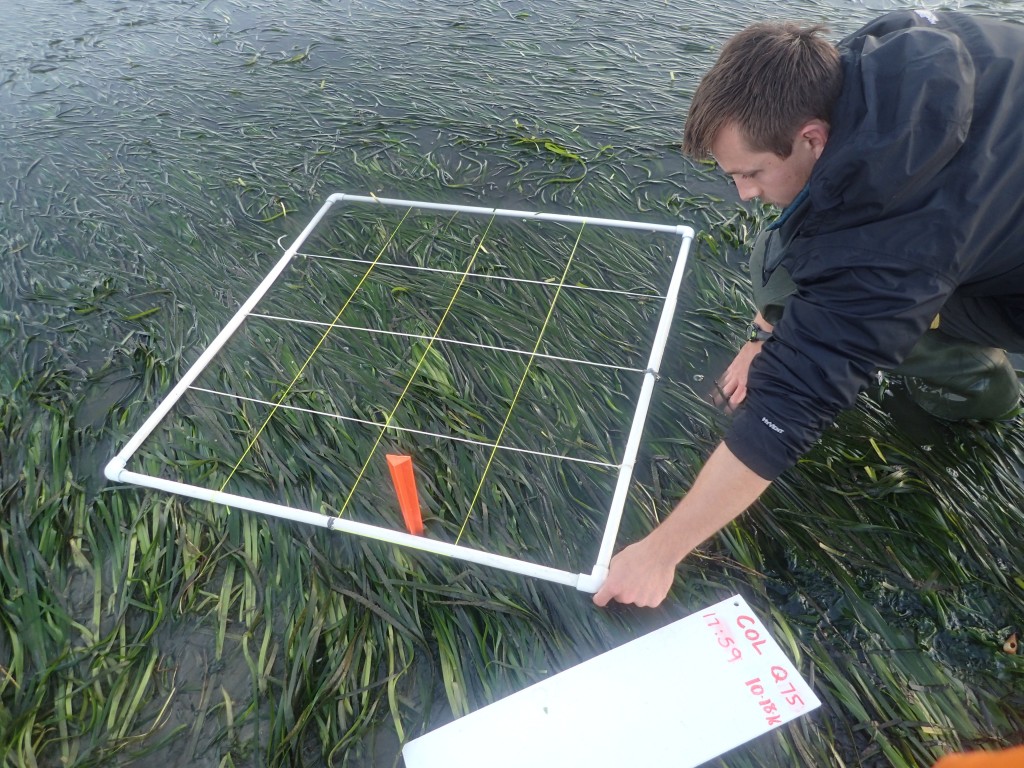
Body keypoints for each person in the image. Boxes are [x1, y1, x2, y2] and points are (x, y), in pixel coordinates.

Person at [593, 9, 1024, 609]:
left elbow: (790, 410)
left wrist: (660, 552)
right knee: (787, 251)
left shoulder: (891, 251)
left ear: (813, 138)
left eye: (751, 173)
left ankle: (986, 390)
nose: (743, 192)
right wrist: (764, 334)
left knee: (893, 328)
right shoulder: (881, 48)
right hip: (987, 207)